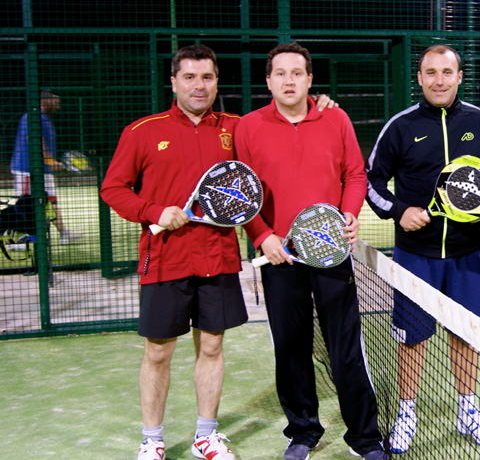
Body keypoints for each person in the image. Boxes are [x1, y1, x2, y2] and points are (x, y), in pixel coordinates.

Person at [234, 43, 388, 460]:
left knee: (346, 346)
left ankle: (364, 437)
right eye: (280, 73)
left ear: (309, 79)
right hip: (279, 256)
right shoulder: (247, 127)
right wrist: (263, 234)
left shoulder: (335, 118)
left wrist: (350, 214)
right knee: (291, 346)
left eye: (297, 73)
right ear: (268, 81)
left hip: (330, 252)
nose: (289, 80)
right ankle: (302, 431)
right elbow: (242, 195)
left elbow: (355, 173)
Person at [365, 44, 480, 453]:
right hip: (416, 256)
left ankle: (469, 409)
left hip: (469, 255)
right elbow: (370, 182)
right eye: (430, 73)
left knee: (466, 335)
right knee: (412, 337)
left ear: (459, 76)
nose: (439, 80)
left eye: (447, 72)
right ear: (419, 78)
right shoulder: (400, 126)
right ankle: (406, 412)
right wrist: (399, 211)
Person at [100, 45, 246, 460]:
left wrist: (318, 102)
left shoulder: (237, 127)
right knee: (158, 351)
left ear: (217, 81)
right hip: (165, 257)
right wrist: (153, 211)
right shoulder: (143, 131)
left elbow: (281, 122)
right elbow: (113, 189)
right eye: (189, 77)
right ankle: (152, 440)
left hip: (218, 256)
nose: (199, 86)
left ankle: (206, 436)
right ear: (174, 82)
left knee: (213, 346)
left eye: (207, 78)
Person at [10, 89, 82, 245]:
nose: (58, 103)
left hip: (41, 171)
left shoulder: (43, 118)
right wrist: (50, 161)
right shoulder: (35, 117)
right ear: (46, 100)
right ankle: (18, 240)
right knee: (25, 205)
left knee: (51, 202)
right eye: (56, 100)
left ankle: (64, 233)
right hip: (28, 170)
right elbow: (34, 139)